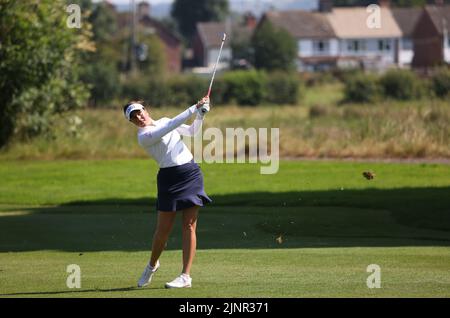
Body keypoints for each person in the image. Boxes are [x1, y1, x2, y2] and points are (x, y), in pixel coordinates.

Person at [123, 96, 212, 289]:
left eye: (139, 112)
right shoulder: (144, 137)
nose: (139, 117)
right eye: (133, 117)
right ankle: (152, 265)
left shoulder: (162, 120)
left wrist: (200, 115)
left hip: (190, 173)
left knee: (189, 225)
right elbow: (171, 125)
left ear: (145, 110)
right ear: (131, 122)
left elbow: (192, 132)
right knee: (162, 231)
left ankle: (185, 276)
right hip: (168, 180)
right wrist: (194, 107)